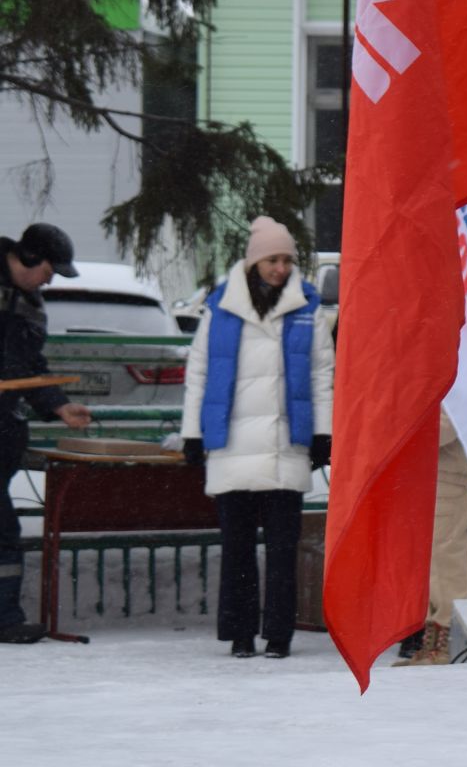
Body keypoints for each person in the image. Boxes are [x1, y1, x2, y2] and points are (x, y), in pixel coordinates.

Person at [181, 216, 334, 659]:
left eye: (287, 259)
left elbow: (323, 375)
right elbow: (200, 372)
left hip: (286, 444)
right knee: (238, 548)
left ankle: (279, 635)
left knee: (283, 549)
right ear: (254, 262)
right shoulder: (221, 307)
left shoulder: (308, 308)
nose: (281, 268)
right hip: (231, 444)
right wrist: (193, 433)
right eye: (273, 259)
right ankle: (241, 632)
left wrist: (323, 433)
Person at [0, 223, 90, 644]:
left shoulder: (31, 304)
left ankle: (5, 618)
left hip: (3, 428)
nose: (50, 280)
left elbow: (31, 368)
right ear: (30, 258)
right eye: (50, 270)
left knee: (3, 530)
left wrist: (58, 405)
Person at [390, 409, 467, 667]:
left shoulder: (465, 369)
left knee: (446, 559)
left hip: (446, 468)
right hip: (425, 466)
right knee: (426, 561)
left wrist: (398, 433)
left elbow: (456, 416)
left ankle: (445, 642)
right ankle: (431, 642)